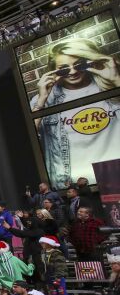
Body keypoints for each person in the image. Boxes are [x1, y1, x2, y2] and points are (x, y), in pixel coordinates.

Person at [31, 38, 120, 189]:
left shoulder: (108, 86)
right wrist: (41, 101)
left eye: (80, 65)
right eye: (64, 69)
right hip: (72, 183)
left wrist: (117, 81)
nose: (73, 72)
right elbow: (28, 141)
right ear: (54, 71)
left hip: (115, 175)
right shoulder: (44, 98)